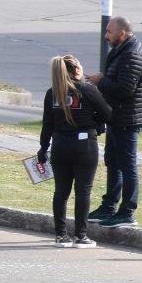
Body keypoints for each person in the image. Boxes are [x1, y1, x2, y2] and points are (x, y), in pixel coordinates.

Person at [85, 16, 142, 228]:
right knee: (113, 161)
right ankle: (109, 206)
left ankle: (127, 212)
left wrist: (101, 81)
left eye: (109, 32)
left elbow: (125, 89)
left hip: (128, 118)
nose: (105, 35)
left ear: (122, 33)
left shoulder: (132, 54)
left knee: (127, 165)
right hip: (117, 117)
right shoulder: (122, 50)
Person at [39, 55, 111, 249]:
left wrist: (42, 148)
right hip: (84, 145)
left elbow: (47, 124)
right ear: (76, 71)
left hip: (60, 145)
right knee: (83, 191)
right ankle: (81, 235)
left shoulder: (52, 93)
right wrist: (96, 123)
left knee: (61, 191)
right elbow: (107, 114)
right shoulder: (88, 90)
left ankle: (61, 235)